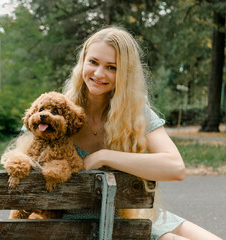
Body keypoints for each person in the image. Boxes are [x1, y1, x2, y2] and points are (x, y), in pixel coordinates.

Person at [61, 26, 222, 240]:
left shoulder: (134, 113)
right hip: (84, 227)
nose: (99, 74)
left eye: (112, 67)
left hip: (130, 215)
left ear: (125, 73)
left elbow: (176, 168)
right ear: (82, 61)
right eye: (93, 62)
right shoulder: (56, 112)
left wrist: (103, 156)